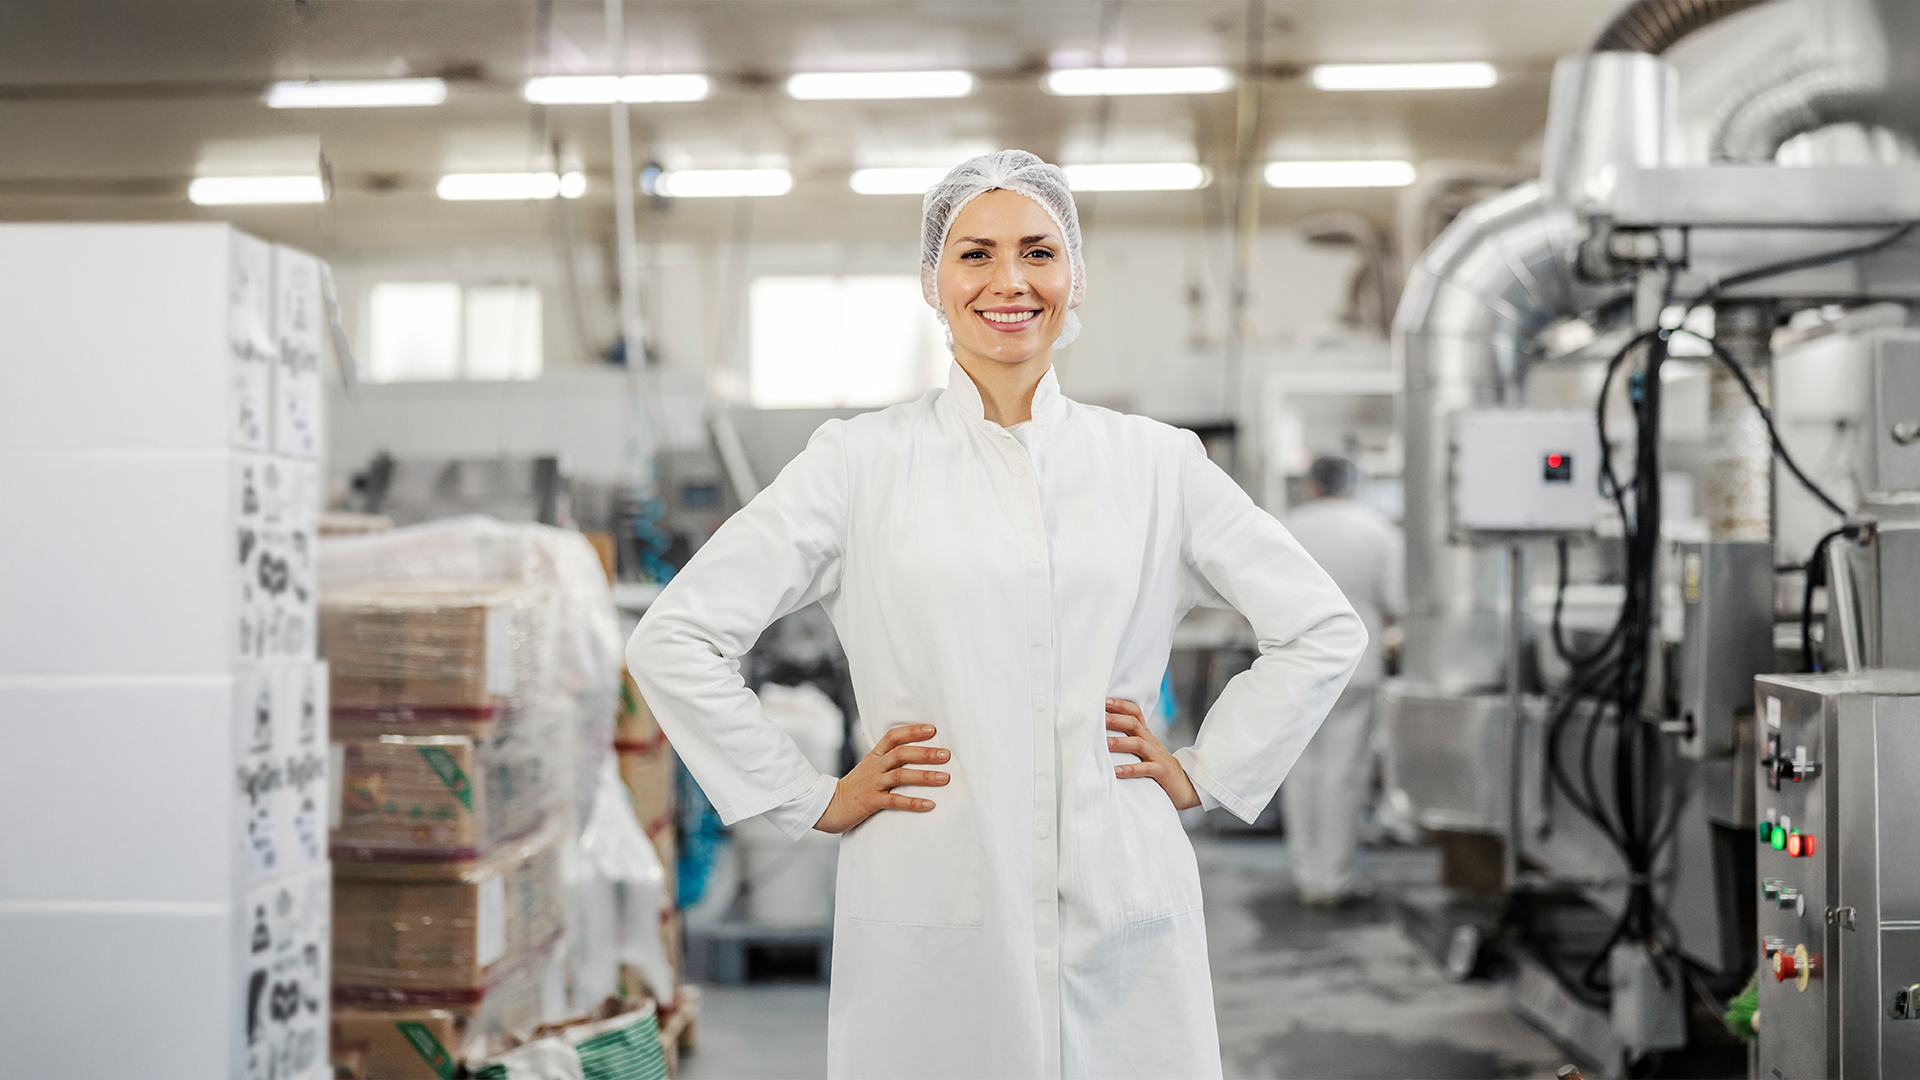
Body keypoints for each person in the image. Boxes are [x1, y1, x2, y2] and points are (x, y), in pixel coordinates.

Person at [626, 150, 1365, 1079]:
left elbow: (1321, 628)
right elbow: (676, 636)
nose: (1009, 281)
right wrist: (809, 795)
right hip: (933, 884)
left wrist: (1209, 771)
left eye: (1038, 252)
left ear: (1075, 277)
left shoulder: (1153, 464)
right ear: (933, 282)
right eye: (975, 254)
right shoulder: (858, 464)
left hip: (1120, 884)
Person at [1279, 455, 1405, 907]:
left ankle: (1306, 873)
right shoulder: (1377, 529)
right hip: (1355, 662)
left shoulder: (1285, 525)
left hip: (1292, 662)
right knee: (1344, 773)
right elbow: (1396, 600)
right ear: (1354, 484)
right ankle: (1333, 878)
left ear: (1312, 485)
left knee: (1298, 770)